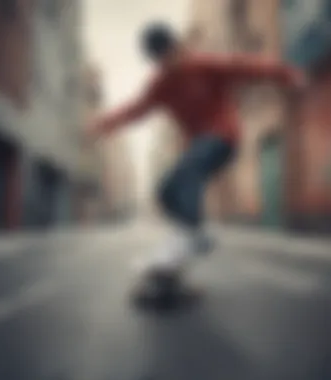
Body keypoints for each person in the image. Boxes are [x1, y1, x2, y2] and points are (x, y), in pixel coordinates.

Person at [88, 22, 307, 271]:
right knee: (166, 190)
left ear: (177, 47)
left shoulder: (204, 64)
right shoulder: (160, 84)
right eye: (161, 60)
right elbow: (136, 109)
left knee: (189, 169)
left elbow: (246, 66)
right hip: (198, 146)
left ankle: (190, 233)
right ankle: (196, 235)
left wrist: (288, 74)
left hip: (224, 138)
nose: (168, 64)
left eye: (170, 55)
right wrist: (103, 124)